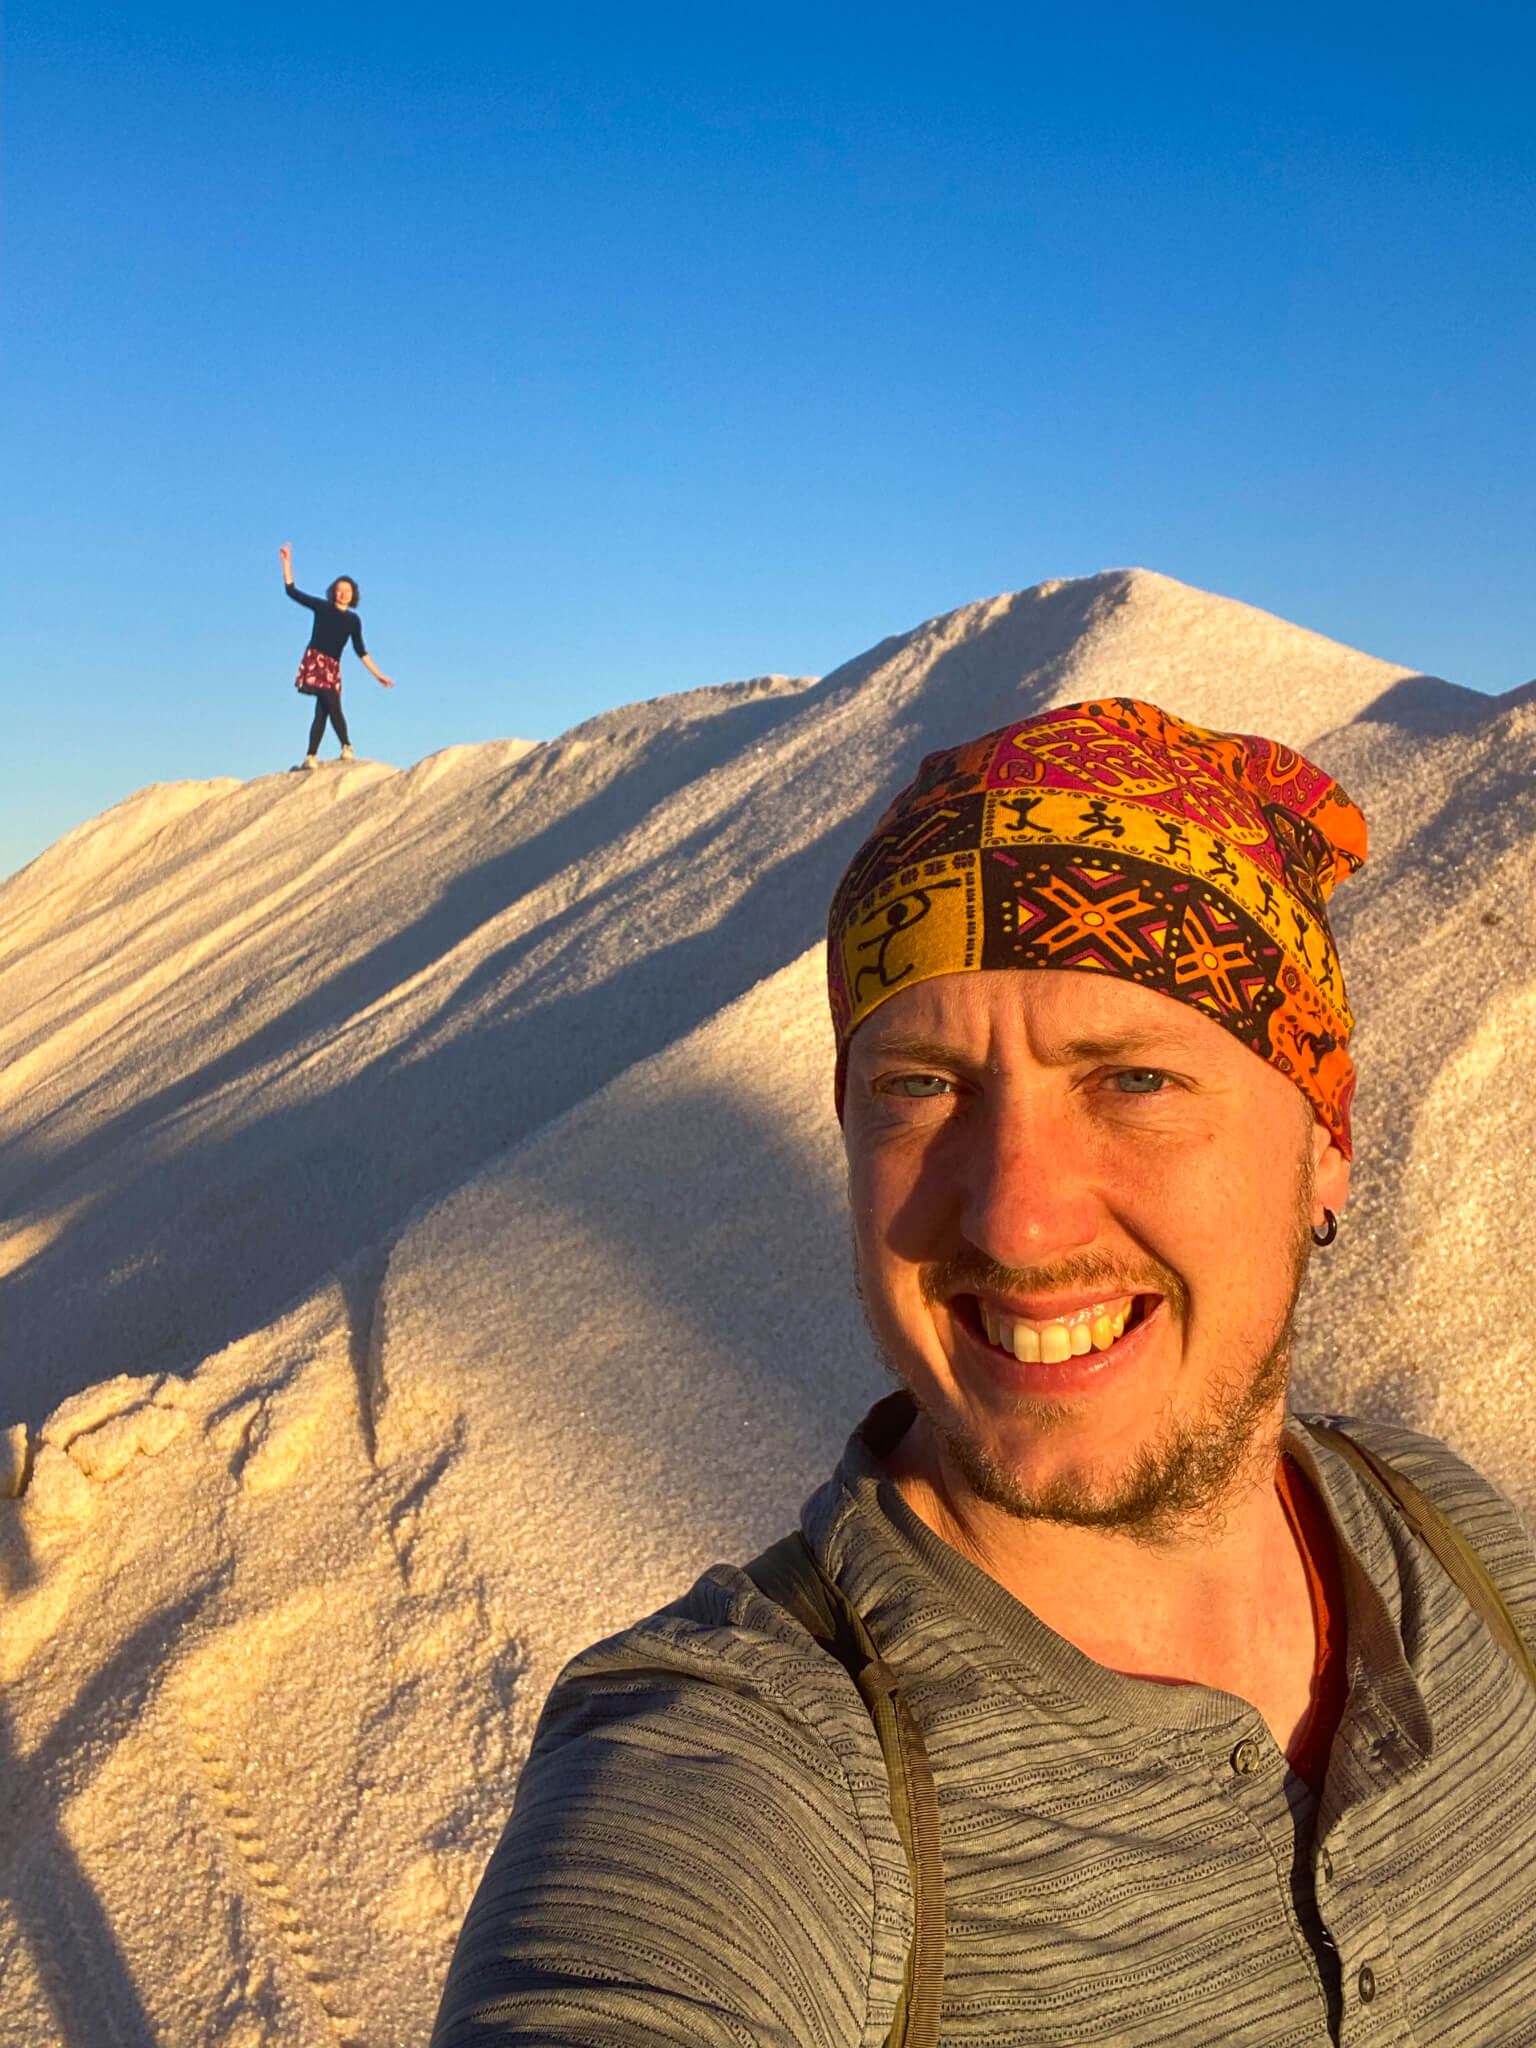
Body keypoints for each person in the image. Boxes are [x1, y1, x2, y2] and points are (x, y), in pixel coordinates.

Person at [432, 698, 1536, 2046]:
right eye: (920, 1087)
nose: (1015, 1220)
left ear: (1323, 1148)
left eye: (1132, 1077)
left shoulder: (1454, 1541)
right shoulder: (755, 1761)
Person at [279, 544, 394, 767]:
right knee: (333, 705)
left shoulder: (354, 620)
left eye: (347, 591)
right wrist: (286, 564)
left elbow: (361, 651)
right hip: (316, 662)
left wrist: (378, 675)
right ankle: (346, 745)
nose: (343, 594)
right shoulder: (322, 607)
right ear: (333, 592)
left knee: (323, 711)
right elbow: (292, 591)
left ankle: (311, 756)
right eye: (339, 590)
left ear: (353, 596)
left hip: (332, 667)